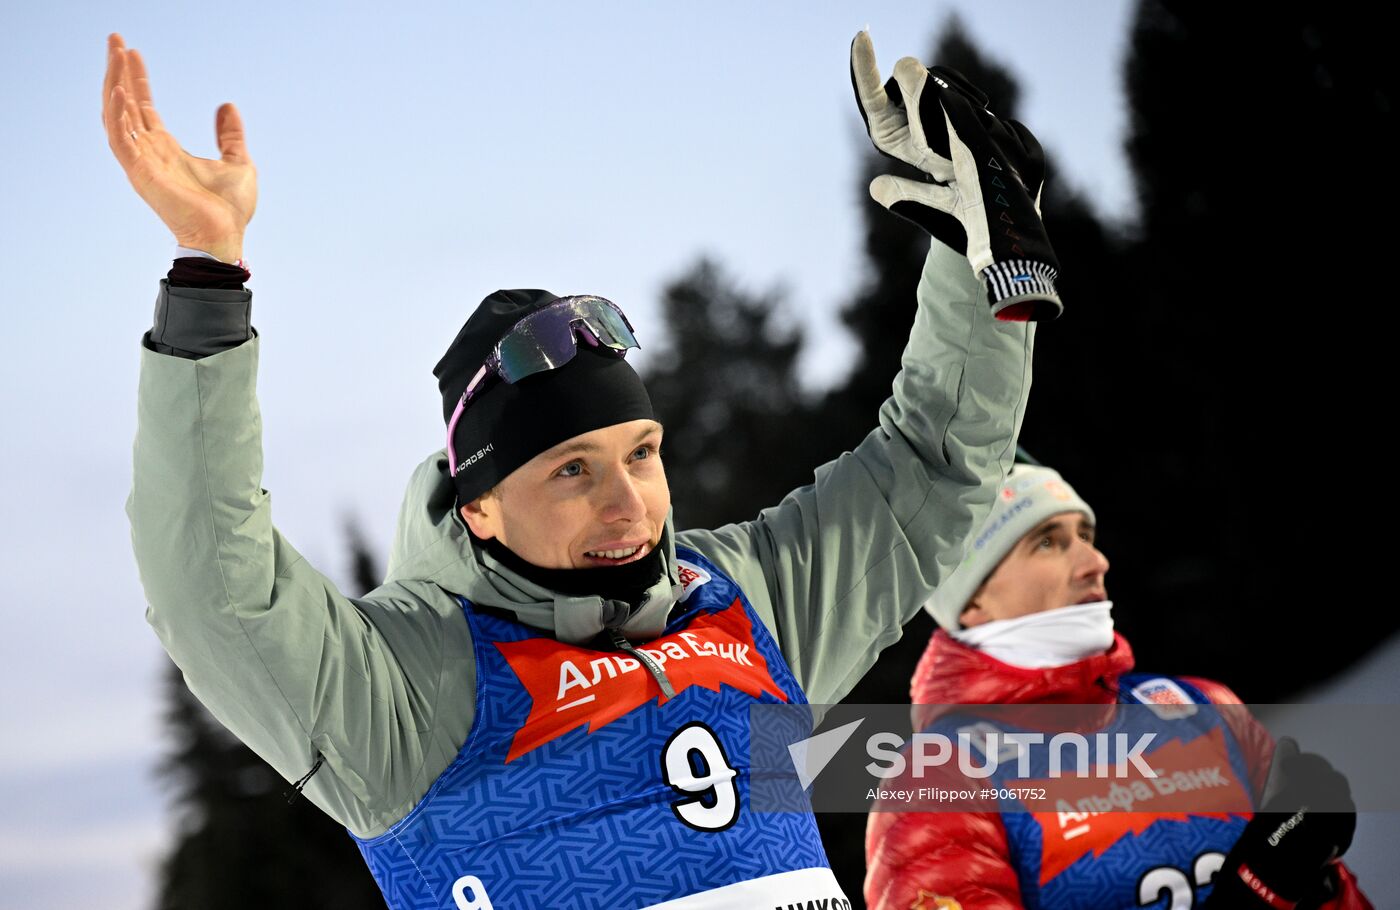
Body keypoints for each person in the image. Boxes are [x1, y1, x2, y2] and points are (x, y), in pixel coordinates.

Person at [107, 30, 1050, 910]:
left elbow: (930, 468)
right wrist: (207, 274)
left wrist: (984, 265)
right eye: (570, 470)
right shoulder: (409, 682)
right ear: (478, 508)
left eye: (642, 454)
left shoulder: (743, 601)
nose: (626, 500)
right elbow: (214, 590)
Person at [863, 463, 1372, 910]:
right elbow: (1266, 882)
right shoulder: (937, 778)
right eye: (1047, 542)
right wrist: (1261, 887)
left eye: (1087, 535)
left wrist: (1316, 869)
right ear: (970, 599)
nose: (1095, 562)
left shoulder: (1203, 705)